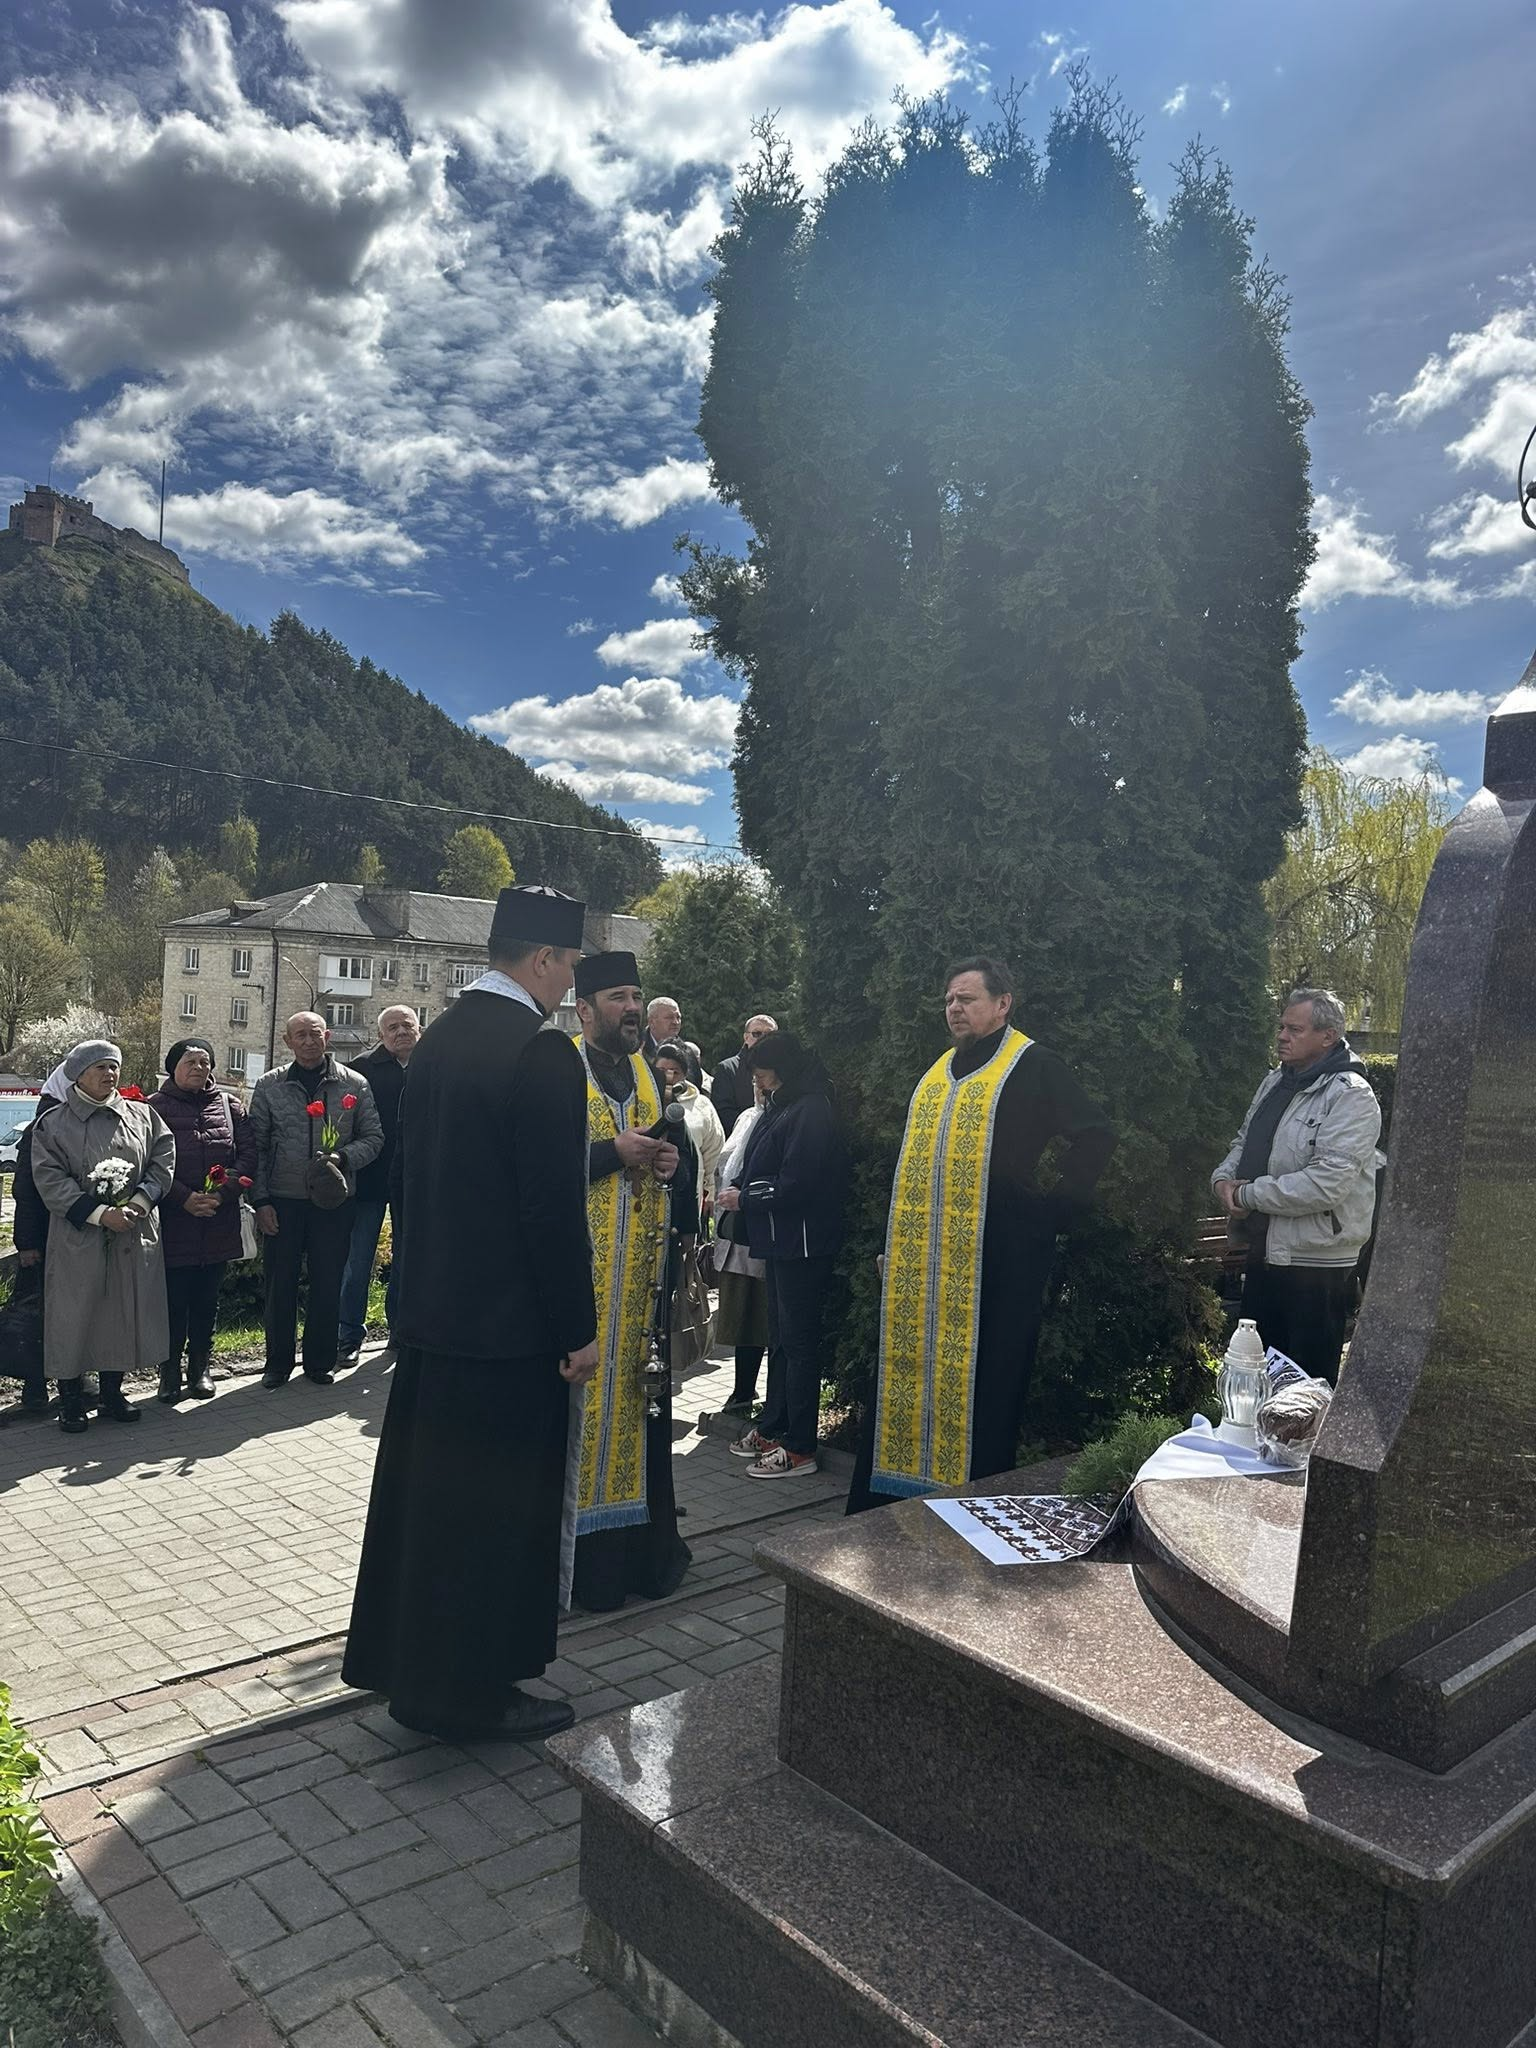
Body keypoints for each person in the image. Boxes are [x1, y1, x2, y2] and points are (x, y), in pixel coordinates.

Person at [342, 886, 598, 1743]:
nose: (568, 984)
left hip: (434, 1318)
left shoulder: (440, 1039)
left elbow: (411, 1181)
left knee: (433, 1512)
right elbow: (551, 1208)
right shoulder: (541, 1050)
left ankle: (418, 1680)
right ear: (542, 959)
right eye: (568, 966)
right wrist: (577, 1328)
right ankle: (475, 1695)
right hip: (510, 1333)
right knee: (494, 1518)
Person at [847, 958, 1117, 1513]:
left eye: (967, 998)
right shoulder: (939, 1072)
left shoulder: (1035, 1065)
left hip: (1002, 1263)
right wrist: (895, 1249)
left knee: (987, 1385)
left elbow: (1096, 1136)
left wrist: (1048, 1213)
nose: (955, 1008)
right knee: (907, 1378)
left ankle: (970, 1512)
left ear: (1003, 1004)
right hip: (925, 1268)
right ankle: (889, 1507)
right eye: (949, 999)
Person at [571, 954, 696, 1610]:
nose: (630, 1008)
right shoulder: (561, 1069)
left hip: (638, 1292)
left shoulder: (648, 1073)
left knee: (635, 1416)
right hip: (576, 1290)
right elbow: (529, 1166)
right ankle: (570, 1571)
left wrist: (670, 1163)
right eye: (617, 996)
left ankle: (633, 1561)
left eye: (636, 996)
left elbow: (670, 1164)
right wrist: (608, 1155)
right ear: (584, 1008)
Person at [1213, 987, 1381, 1385]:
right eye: (1281, 1027)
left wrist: (1247, 1194)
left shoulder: (1351, 1096)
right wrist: (1222, 1179)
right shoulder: (1276, 1081)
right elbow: (1245, 1141)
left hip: (1316, 1265)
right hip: (1264, 1250)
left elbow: (1326, 1184)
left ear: (1328, 1036)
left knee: (1304, 1390)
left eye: (1294, 1029)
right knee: (1255, 1378)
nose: (1282, 1036)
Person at [29, 1040, 176, 1435]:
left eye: (113, 1067)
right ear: (78, 1075)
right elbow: (49, 1178)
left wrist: (138, 1205)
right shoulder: (54, 1123)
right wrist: (98, 1214)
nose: (110, 1074)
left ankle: (112, 1393)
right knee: (75, 1313)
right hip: (79, 1237)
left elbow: (163, 1160)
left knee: (122, 1311)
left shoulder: (143, 1116)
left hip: (132, 1231)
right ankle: (71, 1398)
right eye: (100, 1067)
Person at [720, 1031, 848, 1479]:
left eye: (763, 1073)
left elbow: (799, 1182)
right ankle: (775, 1426)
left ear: (784, 1069)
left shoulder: (811, 1109)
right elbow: (760, 1161)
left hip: (802, 1243)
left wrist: (745, 1199)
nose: (757, 1081)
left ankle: (799, 1447)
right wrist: (742, 1188)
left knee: (798, 1344)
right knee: (780, 1340)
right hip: (779, 1241)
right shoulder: (783, 1104)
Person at [249, 1013, 382, 1390]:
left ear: (328, 1036)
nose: (309, 1041)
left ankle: (320, 1361)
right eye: (300, 1035)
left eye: (315, 1034)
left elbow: (374, 1138)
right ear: (287, 1041)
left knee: (327, 1281)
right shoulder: (269, 1085)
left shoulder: (354, 1084)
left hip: (334, 1202)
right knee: (280, 1284)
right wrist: (261, 1200)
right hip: (283, 1200)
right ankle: (277, 1363)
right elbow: (256, 1147)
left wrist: (343, 1158)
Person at [148, 1038, 258, 1403]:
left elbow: (248, 1157)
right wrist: (184, 1198)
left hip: (217, 1219)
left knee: (207, 1300)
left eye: (205, 1062)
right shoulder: (152, 1108)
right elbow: (147, 1163)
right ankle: (168, 1371)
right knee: (173, 1301)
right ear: (173, 1068)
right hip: (174, 1222)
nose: (199, 1068)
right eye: (190, 1062)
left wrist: (222, 1193)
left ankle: (200, 1368)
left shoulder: (229, 1106)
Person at [338, 1005, 420, 1365]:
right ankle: (348, 1335)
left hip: (414, 1182)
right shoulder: (362, 1068)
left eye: (407, 1025)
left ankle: (399, 1332)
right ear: (380, 1034)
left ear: (419, 1028)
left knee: (407, 1260)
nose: (401, 1032)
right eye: (392, 1027)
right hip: (369, 1179)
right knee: (358, 1262)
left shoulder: (431, 1064)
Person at [711, 1069, 770, 1417]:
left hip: (756, 1233)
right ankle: (742, 1390)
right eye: (754, 1080)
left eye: (763, 1079)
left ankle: (754, 1394)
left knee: (759, 1316)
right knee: (739, 1317)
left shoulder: (779, 1117)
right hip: (732, 1232)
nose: (758, 1087)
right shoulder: (747, 1116)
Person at [8, 1071, 66, 1415]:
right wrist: (27, 1243)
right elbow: (25, 1190)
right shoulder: (43, 1127)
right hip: (43, 1238)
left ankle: (74, 1379)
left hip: (72, 1236)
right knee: (36, 1311)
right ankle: (34, 1386)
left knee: (71, 1310)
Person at [654, 1039, 724, 1212]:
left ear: (685, 1074)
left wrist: (710, 1191)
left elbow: (713, 1150)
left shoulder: (701, 1105)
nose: (668, 1077)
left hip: (689, 1190)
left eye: (675, 1072)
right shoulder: (643, 1100)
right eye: (662, 1071)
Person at [711, 1014, 777, 1139]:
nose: (763, 1038)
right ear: (746, 1038)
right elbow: (723, 1113)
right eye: (757, 1034)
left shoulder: (782, 1068)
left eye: (769, 1034)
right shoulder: (728, 1069)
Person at [643, 996, 682, 1062]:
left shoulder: (685, 1051)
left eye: (678, 1017)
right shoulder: (636, 1048)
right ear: (651, 1022)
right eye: (669, 1017)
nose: (676, 1022)